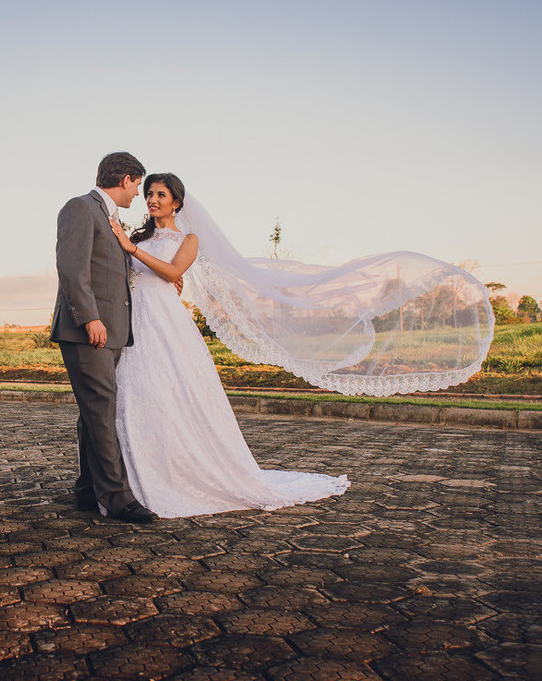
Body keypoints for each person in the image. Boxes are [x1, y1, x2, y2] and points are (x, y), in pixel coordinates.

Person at [109, 173, 349, 517]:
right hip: (135, 319)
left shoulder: (188, 239)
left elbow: (173, 271)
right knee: (138, 392)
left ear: (176, 202)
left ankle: (178, 473)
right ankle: (134, 475)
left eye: (161, 194)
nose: (152, 199)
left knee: (169, 389)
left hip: (164, 321)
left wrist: (133, 251)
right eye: (149, 193)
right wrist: (131, 250)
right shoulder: (138, 237)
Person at [50, 152, 158, 524]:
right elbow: (71, 269)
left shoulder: (109, 217)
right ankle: (117, 498)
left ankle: (86, 489)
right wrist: (90, 318)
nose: (138, 194)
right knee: (101, 410)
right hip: (89, 332)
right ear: (126, 179)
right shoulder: (80, 208)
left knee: (93, 412)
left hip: (111, 332)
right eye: (137, 185)